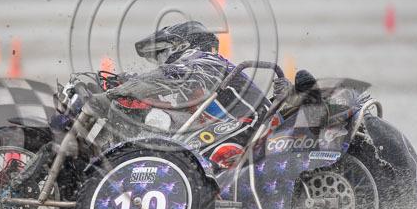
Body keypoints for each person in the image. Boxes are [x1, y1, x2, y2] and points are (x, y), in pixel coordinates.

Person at [101, 21, 291, 134]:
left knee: (162, 129)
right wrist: (125, 80)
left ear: (179, 46)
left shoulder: (205, 60)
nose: (159, 62)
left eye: (160, 55)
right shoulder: (205, 70)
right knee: (159, 121)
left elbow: (169, 76)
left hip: (251, 128)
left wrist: (117, 91)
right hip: (243, 129)